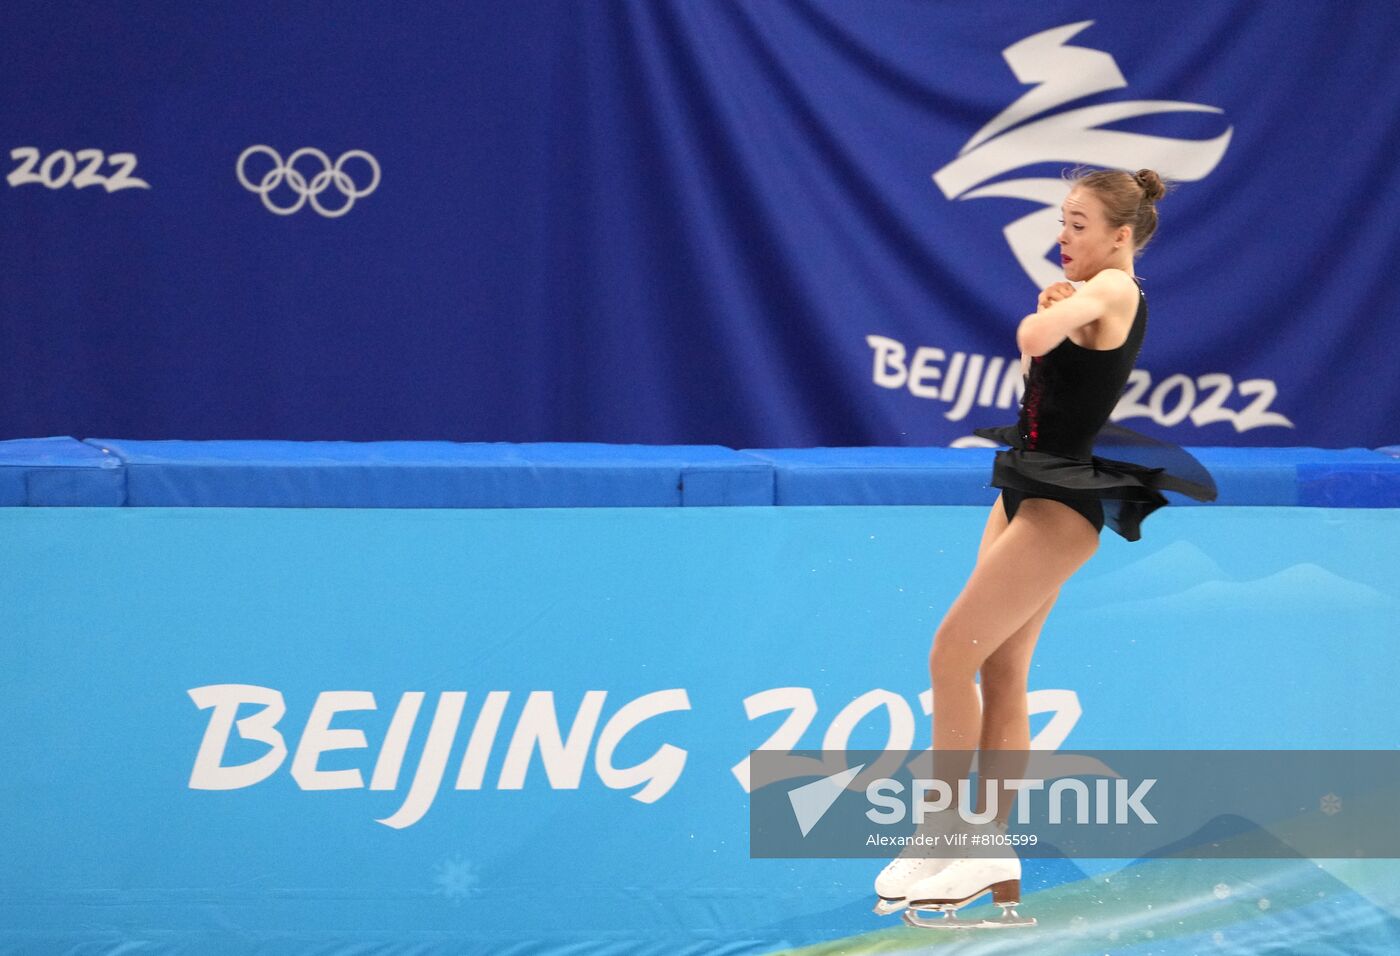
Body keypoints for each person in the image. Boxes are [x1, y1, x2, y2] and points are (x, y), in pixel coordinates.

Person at [872, 166, 1217, 928]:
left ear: (1120, 236)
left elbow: (1046, 332)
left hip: (1060, 509)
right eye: (1061, 222)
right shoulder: (1085, 293)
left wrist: (1046, 317)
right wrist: (1051, 320)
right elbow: (1044, 368)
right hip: (1021, 485)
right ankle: (986, 844)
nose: (1062, 237)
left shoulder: (1116, 290)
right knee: (1000, 670)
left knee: (947, 657)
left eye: (1078, 225)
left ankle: (943, 835)